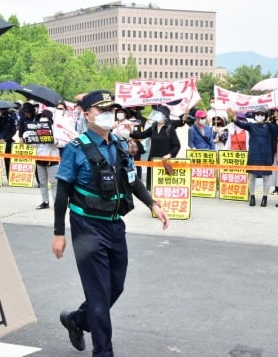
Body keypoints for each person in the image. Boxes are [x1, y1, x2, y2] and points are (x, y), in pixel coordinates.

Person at [52, 90, 169, 356]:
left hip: (115, 226)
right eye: (100, 110)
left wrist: (153, 204)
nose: (107, 115)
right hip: (87, 227)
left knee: (115, 286)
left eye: (110, 110)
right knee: (98, 295)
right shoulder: (75, 148)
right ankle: (103, 352)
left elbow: (132, 180)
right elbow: (62, 193)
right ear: (86, 114)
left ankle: (78, 320)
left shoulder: (118, 144)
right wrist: (59, 233)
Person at [229, 106, 278, 207]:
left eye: (262, 114)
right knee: (252, 176)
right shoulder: (251, 125)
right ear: (254, 115)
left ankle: (265, 197)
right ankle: (252, 196)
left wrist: (277, 119)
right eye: (258, 114)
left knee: (266, 177)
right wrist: (233, 116)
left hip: (266, 154)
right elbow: (240, 124)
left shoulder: (269, 126)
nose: (260, 116)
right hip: (254, 153)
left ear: (265, 116)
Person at [130, 105, 181, 190]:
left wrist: (169, 155)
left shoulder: (169, 128)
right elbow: (141, 135)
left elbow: (177, 145)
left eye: (160, 113)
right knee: (151, 186)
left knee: (165, 184)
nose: (157, 114)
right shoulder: (153, 127)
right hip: (152, 159)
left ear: (165, 116)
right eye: (157, 113)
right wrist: (131, 131)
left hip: (165, 160)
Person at [33, 110, 61, 209]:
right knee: (42, 182)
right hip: (40, 158)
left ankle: (56, 203)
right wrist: (30, 139)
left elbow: (61, 143)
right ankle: (45, 201)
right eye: (41, 118)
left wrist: (53, 140)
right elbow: (34, 145)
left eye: (45, 117)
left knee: (54, 183)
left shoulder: (55, 129)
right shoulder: (37, 130)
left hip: (52, 159)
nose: (42, 120)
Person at [0, 108, 18, 178]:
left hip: (7, 142)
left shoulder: (11, 119)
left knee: (8, 160)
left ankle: (9, 176)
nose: (2, 112)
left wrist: (5, 139)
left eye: (4, 110)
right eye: (1, 110)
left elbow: (13, 131)